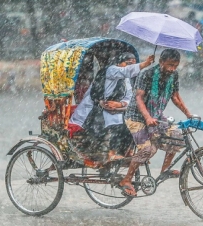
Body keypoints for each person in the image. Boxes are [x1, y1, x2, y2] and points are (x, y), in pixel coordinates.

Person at [119, 49, 192, 197]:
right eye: (170, 65)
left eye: (175, 65)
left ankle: (165, 169)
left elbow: (175, 97)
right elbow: (139, 98)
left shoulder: (174, 75)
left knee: (177, 137)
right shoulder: (147, 74)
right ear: (161, 62)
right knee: (148, 150)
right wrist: (147, 118)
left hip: (156, 115)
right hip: (136, 116)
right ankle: (126, 179)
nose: (172, 69)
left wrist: (189, 114)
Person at [69, 52, 154, 162]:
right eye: (127, 63)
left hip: (113, 110)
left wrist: (120, 104)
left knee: (131, 122)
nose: (129, 66)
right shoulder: (111, 70)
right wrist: (146, 63)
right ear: (119, 63)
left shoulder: (126, 79)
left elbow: (129, 96)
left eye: (132, 64)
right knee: (116, 125)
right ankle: (111, 153)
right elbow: (126, 71)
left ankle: (125, 150)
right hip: (93, 108)